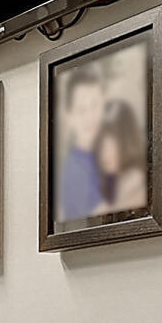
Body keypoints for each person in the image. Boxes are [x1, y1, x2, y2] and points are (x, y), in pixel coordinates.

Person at [56, 67, 107, 223]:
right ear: (70, 117)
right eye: (81, 109)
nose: (90, 116)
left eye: (95, 105)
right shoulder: (73, 170)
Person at [93, 98, 148, 214]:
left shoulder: (135, 180)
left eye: (111, 142)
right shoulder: (110, 183)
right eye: (100, 143)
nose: (103, 152)